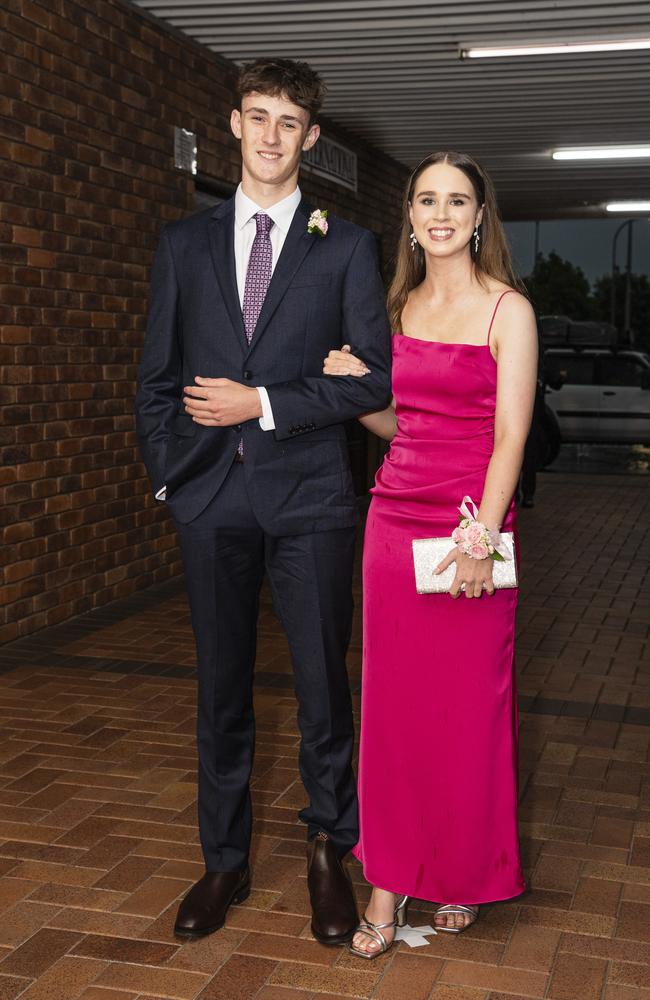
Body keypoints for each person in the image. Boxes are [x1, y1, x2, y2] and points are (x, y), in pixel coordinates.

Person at [135, 57, 392, 945]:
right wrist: (174, 480)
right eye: (258, 116)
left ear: (311, 138)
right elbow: (156, 381)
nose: (273, 134)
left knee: (323, 686)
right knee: (221, 691)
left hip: (314, 500)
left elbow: (372, 383)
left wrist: (267, 403)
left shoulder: (348, 246)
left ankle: (329, 852)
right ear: (233, 125)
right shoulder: (184, 245)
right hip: (211, 500)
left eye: (290, 121)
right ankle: (224, 861)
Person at [323, 151, 537, 956]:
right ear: (409, 216)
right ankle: (389, 882)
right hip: (394, 524)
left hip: (470, 528)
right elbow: (402, 425)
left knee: (468, 712)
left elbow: (510, 433)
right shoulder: (397, 305)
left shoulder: (506, 310)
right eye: (426, 200)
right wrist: (356, 391)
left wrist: (483, 534)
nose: (440, 214)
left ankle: (462, 875)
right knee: (395, 713)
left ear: (480, 216)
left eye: (457, 201)